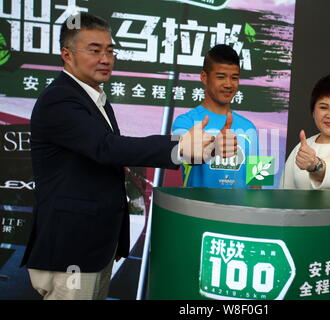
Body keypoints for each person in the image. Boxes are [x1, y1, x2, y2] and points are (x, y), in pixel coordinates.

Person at [20, 12, 233, 300]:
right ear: (67, 55)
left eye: (110, 50)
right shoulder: (60, 99)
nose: (106, 58)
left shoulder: (94, 99)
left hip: (93, 246)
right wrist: (180, 146)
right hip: (71, 249)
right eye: (94, 50)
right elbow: (107, 148)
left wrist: (206, 147)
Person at [172, 44, 258, 188]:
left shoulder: (250, 127)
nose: (228, 84)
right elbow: (186, 155)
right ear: (204, 77)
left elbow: (258, 184)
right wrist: (213, 147)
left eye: (234, 78)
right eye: (221, 77)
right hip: (197, 210)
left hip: (241, 211)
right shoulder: (185, 122)